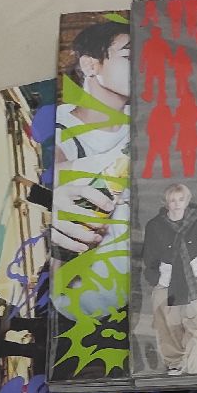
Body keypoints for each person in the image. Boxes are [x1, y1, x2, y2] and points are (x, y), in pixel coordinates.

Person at [49, 22, 132, 260]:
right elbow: (46, 176)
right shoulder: (57, 127)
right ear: (90, 65)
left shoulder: (145, 120)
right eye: (129, 56)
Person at [141, 184, 197, 375]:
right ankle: (174, 363)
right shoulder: (155, 225)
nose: (177, 204)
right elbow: (149, 256)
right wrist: (156, 279)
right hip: (167, 282)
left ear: (187, 200)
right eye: (172, 200)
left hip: (194, 281)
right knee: (168, 328)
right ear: (166, 203)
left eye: (181, 199)